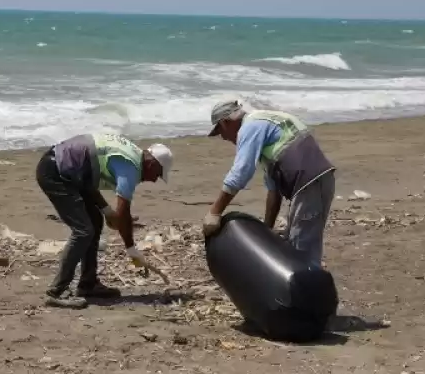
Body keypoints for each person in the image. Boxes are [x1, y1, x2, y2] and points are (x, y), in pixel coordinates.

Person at [36, 133, 173, 308]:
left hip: (69, 172)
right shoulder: (131, 168)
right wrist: (131, 249)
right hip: (56, 173)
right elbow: (123, 213)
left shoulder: (131, 154)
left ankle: (88, 284)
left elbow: (87, 178)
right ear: (152, 164)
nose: (154, 180)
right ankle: (57, 291)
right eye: (158, 174)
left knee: (94, 222)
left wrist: (106, 211)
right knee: (83, 230)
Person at [202, 100, 336, 267]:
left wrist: (215, 211)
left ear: (225, 122)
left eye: (220, 131)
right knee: (295, 242)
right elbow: (273, 191)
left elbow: (241, 172)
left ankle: (310, 290)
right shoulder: (267, 122)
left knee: (303, 251)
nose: (223, 137)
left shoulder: (250, 127)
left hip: (310, 183)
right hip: (313, 182)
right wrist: (267, 230)